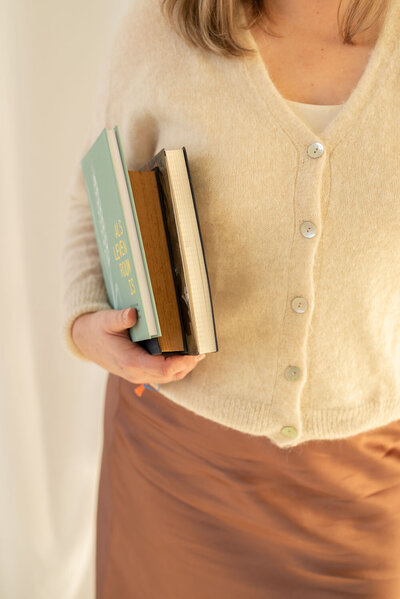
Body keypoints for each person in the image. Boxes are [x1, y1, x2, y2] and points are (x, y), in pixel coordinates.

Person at [61, 0, 400, 596]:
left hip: (365, 487)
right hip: (176, 469)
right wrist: (88, 319)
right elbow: (97, 197)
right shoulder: (164, 27)